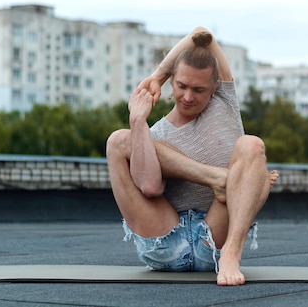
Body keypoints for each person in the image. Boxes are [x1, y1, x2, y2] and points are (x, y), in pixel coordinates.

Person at [106, 26, 278, 286]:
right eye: (181, 86)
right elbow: (151, 187)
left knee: (252, 145)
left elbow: (201, 34)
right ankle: (220, 179)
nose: (187, 97)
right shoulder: (155, 133)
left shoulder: (225, 102)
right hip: (163, 241)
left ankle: (233, 252)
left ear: (214, 87)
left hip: (214, 243)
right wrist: (138, 121)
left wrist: (159, 74)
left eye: (198, 90)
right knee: (118, 139)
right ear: (173, 82)